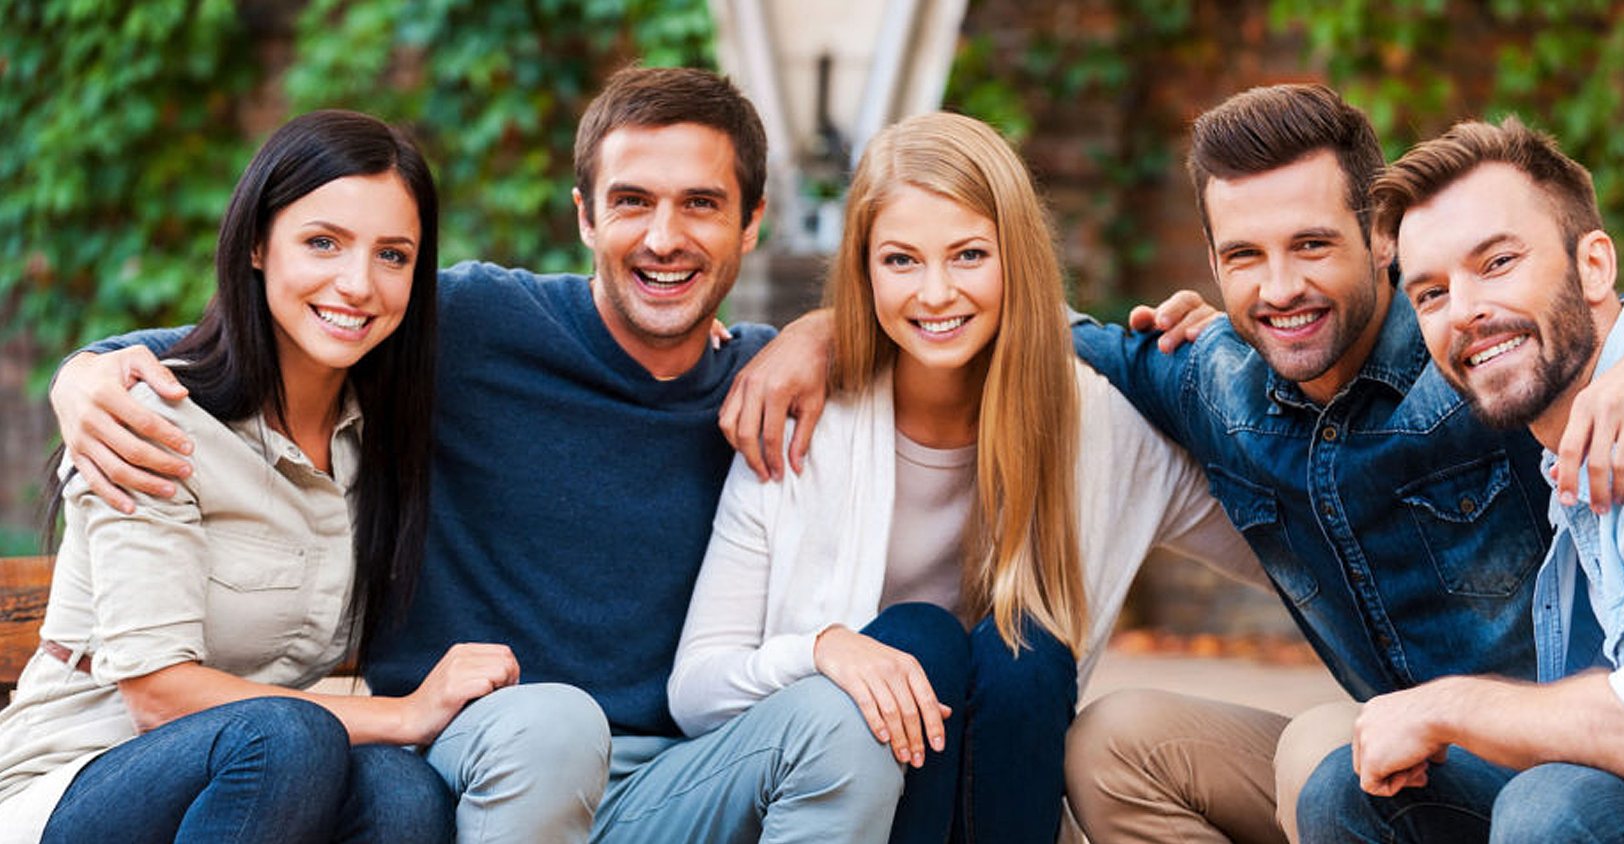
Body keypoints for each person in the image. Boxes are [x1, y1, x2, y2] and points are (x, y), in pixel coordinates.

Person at [717, 84, 1624, 843]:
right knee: (1117, 742)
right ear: (1210, 262)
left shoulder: (1487, 352)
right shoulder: (1211, 379)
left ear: (1378, 242)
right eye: (1243, 256)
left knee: (1345, 771)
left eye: (1312, 245)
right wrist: (826, 332)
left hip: (1584, 765)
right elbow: (1002, 312)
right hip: (1425, 752)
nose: (1279, 286)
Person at [42, 67, 908, 843]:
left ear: (752, 223)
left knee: (846, 726)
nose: (664, 237)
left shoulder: (770, 376)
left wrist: (833, 328)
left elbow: (1010, 335)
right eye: (633, 200)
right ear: (584, 216)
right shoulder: (469, 324)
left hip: (672, 776)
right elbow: (249, 336)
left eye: (702, 204)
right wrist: (80, 375)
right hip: (482, 745)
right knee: (534, 731)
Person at [667, 112, 1258, 844]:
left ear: (1017, 257)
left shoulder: (1097, 421)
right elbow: (695, 689)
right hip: (826, 800)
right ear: (863, 271)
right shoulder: (804, 421)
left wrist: (1234, 373)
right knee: (919, 638)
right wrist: (824, 648)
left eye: (969, 254)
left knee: (1029, 651)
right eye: (901, 261)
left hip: (998, 794)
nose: (936, 293)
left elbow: (1285, 548)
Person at [1297, 116, 1624, 844]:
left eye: (1497, 263)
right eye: (1431, 294)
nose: (1465, 311)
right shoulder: (1564, 445)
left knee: (1556, 809)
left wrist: (1446, 706)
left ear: (1594, 266)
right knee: (1354, 790)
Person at [0, 110, 492, 843]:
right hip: (72, 786)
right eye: (322, 242)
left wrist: (720, 344)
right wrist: (406, 713)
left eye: (393, 255)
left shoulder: (376, 438)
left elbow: (592, 318)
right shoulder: (151, 420)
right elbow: (158, 697)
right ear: (258, 244)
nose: (357, 284)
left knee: (403, 794)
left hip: (257, 791)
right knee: (286, 737)